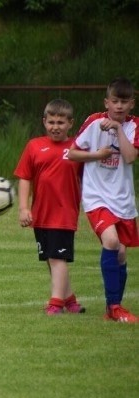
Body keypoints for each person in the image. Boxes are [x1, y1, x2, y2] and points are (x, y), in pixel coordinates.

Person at [67, 77, 139, 323]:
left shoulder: (134, 126)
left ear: (132, 103)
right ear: (106, 102)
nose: (119, 106)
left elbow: (130, 158)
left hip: (123, 200)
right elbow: (72, 154)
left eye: (124, 102)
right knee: (110, 241)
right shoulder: (93, 122)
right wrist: (97, 154)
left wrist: (118, 130)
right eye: (115, 101)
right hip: (96, 196)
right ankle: (114, 307)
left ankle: (114, 309)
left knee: (120, 253)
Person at [14, 98, 85, 315]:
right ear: (44, 121)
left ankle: (56, 303)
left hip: (64, 213)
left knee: (56, 258)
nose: (55, 126)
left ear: (70, 123)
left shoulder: (78, 149)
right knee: (51, 257)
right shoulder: (34, 146)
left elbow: (88, 179)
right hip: (41, 214)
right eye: (51, 122)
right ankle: (70, 300)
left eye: (61, 122)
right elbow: (25, 177)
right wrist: (24, 208)